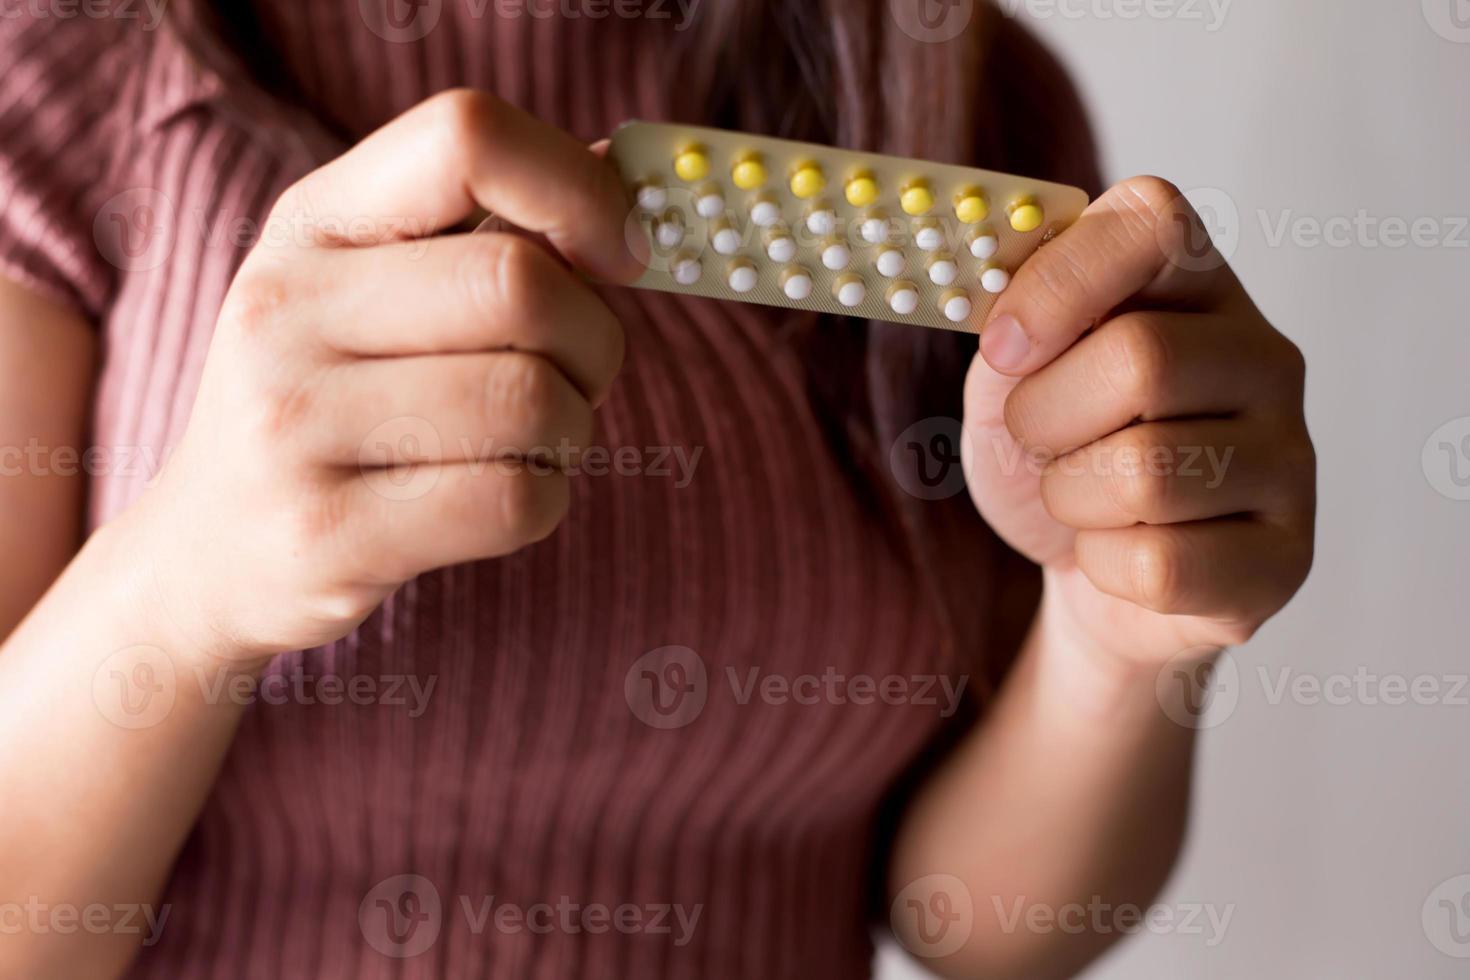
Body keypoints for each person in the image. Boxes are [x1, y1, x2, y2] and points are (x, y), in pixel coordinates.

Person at [0, 1, 1315, 977]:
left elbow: (970, 928)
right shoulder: (66, 71)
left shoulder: (955, 86)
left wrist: (1112, 632)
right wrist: (178, 584)